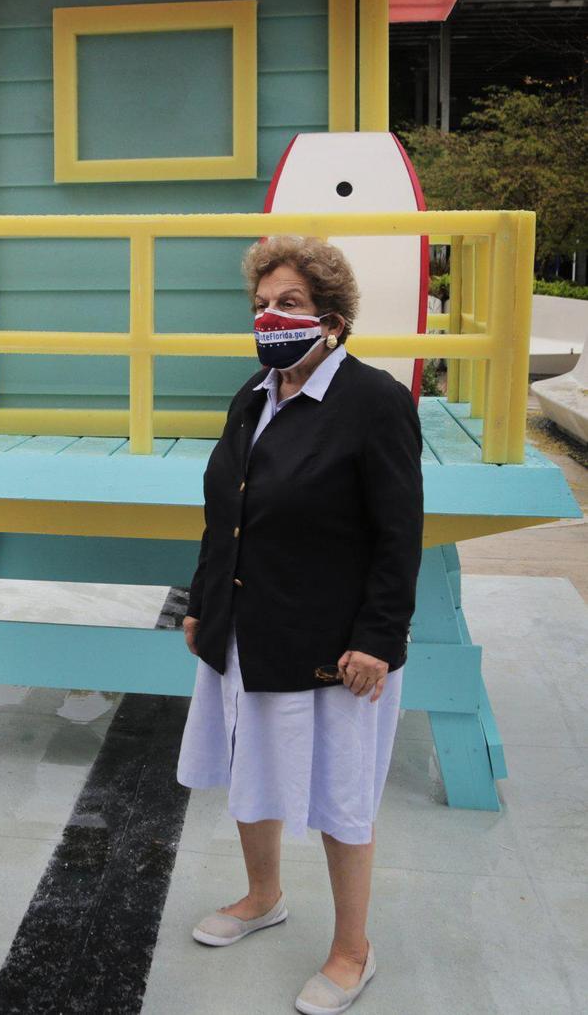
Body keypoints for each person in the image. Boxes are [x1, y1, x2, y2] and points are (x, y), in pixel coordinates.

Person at [178, 236, 423, 1015]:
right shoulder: (253, 394)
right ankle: (263, 895)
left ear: (333, 321)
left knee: (340, 795)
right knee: (252, 764)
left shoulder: (375, 402)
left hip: (334, 643)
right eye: (263, 302)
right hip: (246, 624)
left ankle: (354, 949)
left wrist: (380, 639)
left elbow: (399, 532)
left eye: (290, 303)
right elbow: (226, 511)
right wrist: (201, 601)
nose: (271, 315)